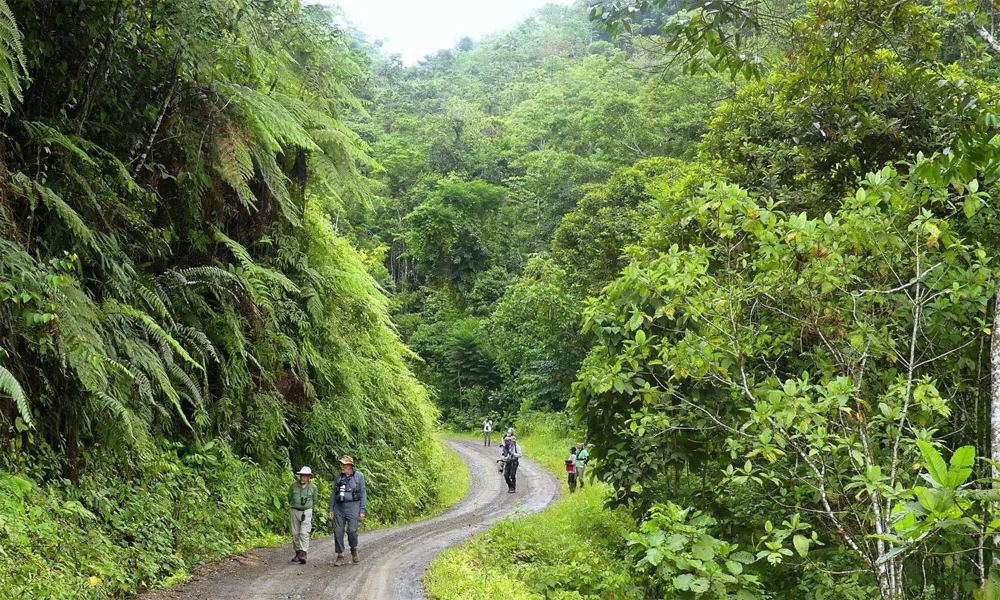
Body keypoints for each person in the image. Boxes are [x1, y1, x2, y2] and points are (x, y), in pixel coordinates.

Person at [328, 456, 367, 567]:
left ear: (350, 466)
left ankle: (354, 548)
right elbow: (333, 494)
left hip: (353, 506)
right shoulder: (338, 478)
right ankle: (340, 555)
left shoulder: (359, 477)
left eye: (344, 464)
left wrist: (362, 510)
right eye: (341, 464)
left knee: (352, 530)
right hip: (339, 507)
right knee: (338, 530)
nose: (342, 466)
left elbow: (363, 493)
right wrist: (331, 508)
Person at [288, 466, 318, 565]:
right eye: (301, 476)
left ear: (309, 477)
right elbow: (290, 497)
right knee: (295, 533)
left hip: (307, 511)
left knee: (304, 533)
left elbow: (314, 500)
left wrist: (308, 508)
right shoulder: (294, 486)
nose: (302, 478)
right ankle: (297, 553)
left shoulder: (313, 487)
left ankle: (303, 553)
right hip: (295, 510)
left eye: (305, 476)